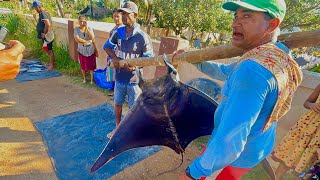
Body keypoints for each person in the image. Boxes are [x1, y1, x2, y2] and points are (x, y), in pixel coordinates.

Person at [178, 0, 303, 179]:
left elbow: (231, 139)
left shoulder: (252, 70)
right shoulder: (274, 55)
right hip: (257, 146)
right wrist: (193, 59)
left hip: (234, 157)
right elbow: (223, 71)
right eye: (236, 16)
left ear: (273, 24)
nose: (235, 23)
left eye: (247, 16)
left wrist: (195, 172)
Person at [103, 1, 154, 138]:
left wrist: (136, 65)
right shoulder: (118, 32)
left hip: (134, 81)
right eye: (122, 13)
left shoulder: (143, 37)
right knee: (118, 104)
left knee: (134, 109)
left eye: (126, 13)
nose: (123, 16)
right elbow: (106, 46)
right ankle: (118, 129)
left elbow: (149, 59)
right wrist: (114, 58)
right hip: (120, 78)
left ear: (135, 15)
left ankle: (133, 133)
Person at [272, 84, 320, 180]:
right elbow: (307, 102)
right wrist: (312, 105)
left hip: (318, 137)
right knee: (290, 153)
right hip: (306, 126)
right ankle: (275, 178)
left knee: (306, 162)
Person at [32, 1, 55, 70]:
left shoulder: (43, 14)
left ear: (38, 7)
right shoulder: (42, 14)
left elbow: (48, 24)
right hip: (45, 36)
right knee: (46, 49)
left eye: (35, 8)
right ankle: (51, 63)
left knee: (49, 50)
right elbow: (41, 24)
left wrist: (44, 33)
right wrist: (35, 19)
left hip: (47, 36)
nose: (35, 10)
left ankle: (51, 65)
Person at [74, 16, 96, 84]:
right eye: (81, 21)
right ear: (78, 21)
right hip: (81, 49)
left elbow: (92, 37)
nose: (82, 23)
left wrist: (86, 28)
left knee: (91, 65)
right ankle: (84, 78)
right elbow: (77, 39)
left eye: (84, 21)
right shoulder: (76, 29)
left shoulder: (89, 28)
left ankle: (92, 79)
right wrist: (86, 41)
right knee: (82, 64)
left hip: (90, 49)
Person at [106, 8, 123, 96]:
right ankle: (114, 90)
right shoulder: (115, 27)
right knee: (112, 73)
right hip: (111, 54)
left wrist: (115, 55)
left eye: (118, 16)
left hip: (117, 54)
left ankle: (117, 93)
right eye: (114, 16)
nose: (116, 18)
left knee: (118, 73)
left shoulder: (122, 28)